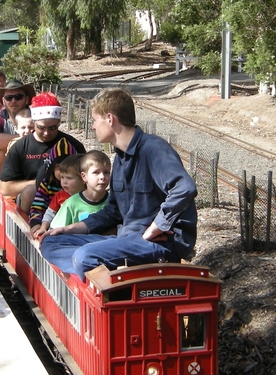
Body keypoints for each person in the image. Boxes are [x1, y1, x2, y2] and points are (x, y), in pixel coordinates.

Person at [39, 88, 198, 280]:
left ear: (110, 119)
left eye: (95, 120)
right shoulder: (120, 159)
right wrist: (71, 229)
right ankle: (99, 268)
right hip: (128, 238)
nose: (93, 126)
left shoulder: (153, 149)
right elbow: (113, 211)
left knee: (85, 257)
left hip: (159, 244)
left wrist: (156, 227)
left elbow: (184, 188)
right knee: (51, 242)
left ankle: (105, 283)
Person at [0, 92, 85, 214]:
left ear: (59, 123)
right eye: (41, 128)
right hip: (32, 198)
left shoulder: (72, 145)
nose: (46, 133)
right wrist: (42, 183)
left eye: (52, 128)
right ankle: (28, 228)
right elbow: (5, 187)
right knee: (30, 191)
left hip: (67, 194)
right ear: (33, 123)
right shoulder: (20, 147)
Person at [0, 78, 35, 175]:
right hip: (6, 163)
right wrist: (29, 139)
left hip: (33, 158)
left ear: (26, 99)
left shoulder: (36, 116)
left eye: (18, 97)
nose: (13, 101)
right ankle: (0, 187)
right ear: (4, 101)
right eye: (9, 98)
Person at [48, 150, 111, 229]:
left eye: (106, 172)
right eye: (96, 172)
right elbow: (54, 230)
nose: (102, 177)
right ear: (84, 176)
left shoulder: (113, 202)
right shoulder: (71, 203)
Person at [35, 153, 84, 236]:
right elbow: (50, 213)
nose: (64, 181)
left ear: (83, 178)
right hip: (59, 234)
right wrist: (43, 227)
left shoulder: (90, 197)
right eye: (62, 177)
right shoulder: (60, 196)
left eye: (69, 178)